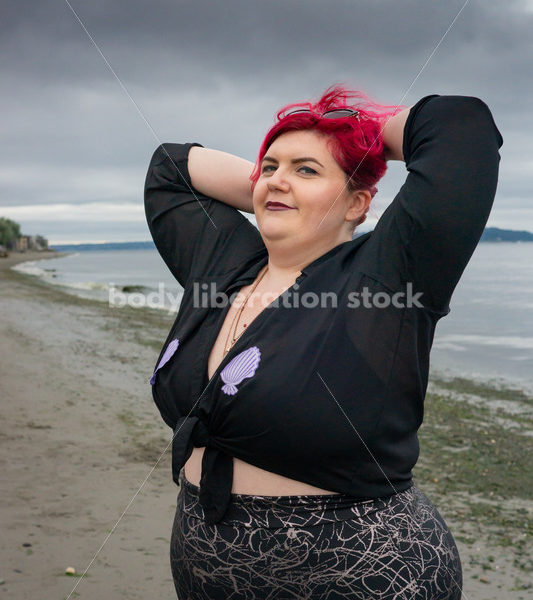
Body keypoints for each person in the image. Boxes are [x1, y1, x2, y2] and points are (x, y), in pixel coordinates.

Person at [144, 84, 503, 599]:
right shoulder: (222, 265)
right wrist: (281, 186)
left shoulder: (389, 276)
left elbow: (460, 125)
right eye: (268, 167)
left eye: (306, 169)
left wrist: (351, 126)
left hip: (361, 573)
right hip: (206, 573)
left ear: (359, 202)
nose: (276, 180)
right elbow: (169, 168)